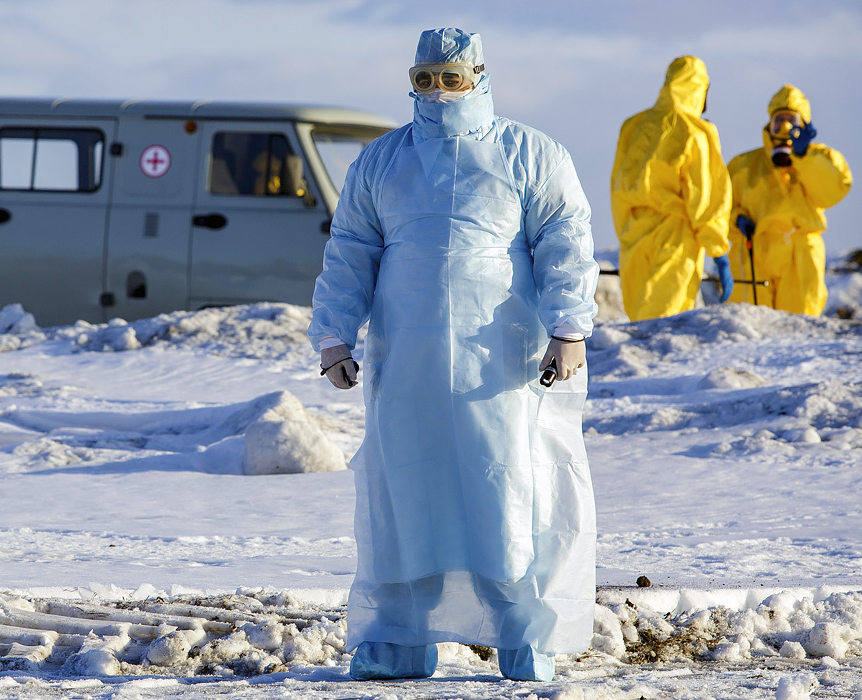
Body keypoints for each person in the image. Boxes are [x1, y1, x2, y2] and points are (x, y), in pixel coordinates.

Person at [309, 28, 599, 683]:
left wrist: (568, 327)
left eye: (451, 77)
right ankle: (397, 639)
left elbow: (566, 241)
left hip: (499, 360)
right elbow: (350, 249)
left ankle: (524, 637)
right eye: (425, 79)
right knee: (406, 490)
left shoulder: (530, 154)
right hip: (405, 353)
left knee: (505, 487)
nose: (438, 91)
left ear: (479, 77)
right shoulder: (382, 161)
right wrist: (333, 335)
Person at [611, 56, 734, 321]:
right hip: (676, 238)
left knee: (640, 323)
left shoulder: (633, 126)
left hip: (635, 235)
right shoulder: (695, 132)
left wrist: (625, 231)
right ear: (701, 90)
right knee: (665, 322)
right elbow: (705, 195)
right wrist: (718, 250)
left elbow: (618, 187)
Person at [725, 85, 852, 315]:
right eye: (779, 121)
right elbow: (720, 206)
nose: (784, 128)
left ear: (805, 125)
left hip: (800, 255)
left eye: (792, 121)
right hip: (754, 252)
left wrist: (805, 158)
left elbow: (833, 192)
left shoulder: (821, 158)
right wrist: (736, 220)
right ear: (769, 124)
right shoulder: (744, 166)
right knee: (748, 324)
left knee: (797, 325)